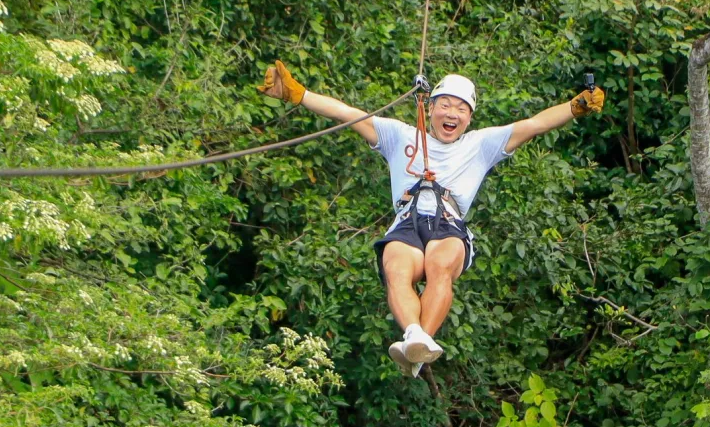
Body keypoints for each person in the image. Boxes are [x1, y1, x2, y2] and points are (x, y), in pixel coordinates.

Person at [259, 62, 605, 377]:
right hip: (408, 222)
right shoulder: (401, 136)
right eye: (446, 105)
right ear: (430, 106)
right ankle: (415, 339)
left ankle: (418, 348)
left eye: (462, 108)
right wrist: (298, 94)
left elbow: (535, 124)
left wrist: (575, 106)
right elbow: (349, 114)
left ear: (470, 118)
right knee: (395, 266)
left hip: (447, 224)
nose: (452, 113)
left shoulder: (480, 144)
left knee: (440, 264)